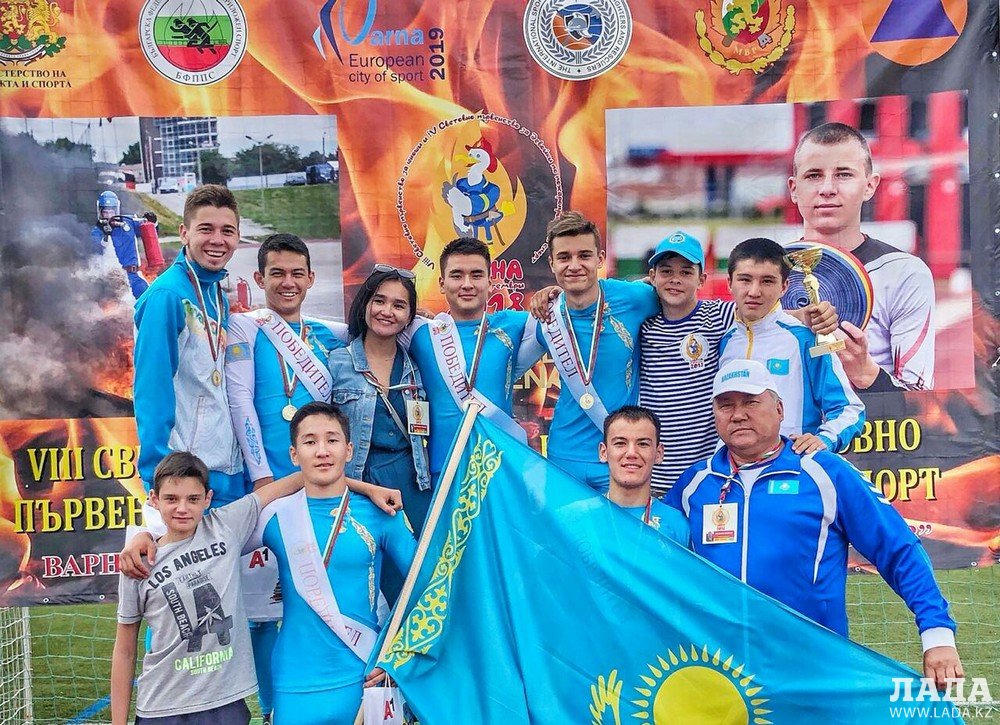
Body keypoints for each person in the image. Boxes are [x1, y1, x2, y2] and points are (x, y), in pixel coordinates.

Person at [664, 359, 962, 687]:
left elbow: (897, 548)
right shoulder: (694, 484)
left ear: (779, 409)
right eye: (726, 405)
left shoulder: (825, 473)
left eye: (751, 402)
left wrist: (937, 635)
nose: (738, 414)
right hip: (718, 672)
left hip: (812, 672)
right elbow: (652, 554)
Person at [224, 233, 347, 723]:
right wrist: (260, 477)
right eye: (277, 273)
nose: (288, 282)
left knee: (311, 601)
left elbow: (390, 326)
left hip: (317, 488)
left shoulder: (328, 336)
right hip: (268, 487)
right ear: (259, 278)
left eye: (298, 273)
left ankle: (310, 703)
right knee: (260, 611)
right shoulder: (246, 328)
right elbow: (241, 403)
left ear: (312, 278)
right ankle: (272, 710)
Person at [110, 452, 304, 725]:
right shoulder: (137, 563)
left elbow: (295, 481)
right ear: (154, 499)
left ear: (208, 499)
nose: (182, 508)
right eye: (171, 499)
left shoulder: (225, 527)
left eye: (193, 499)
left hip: (224, 705)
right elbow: (125, 649)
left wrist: (361, 486)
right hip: (161, 708)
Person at [257, 402, 416, 724]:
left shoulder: (382, 514)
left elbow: (429, 586)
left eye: (332, 440)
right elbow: (213, 535)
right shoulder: (274, 516)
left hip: (364, 674)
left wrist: (398, 654)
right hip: (294, 684)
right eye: (310, 442)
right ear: (293, 454)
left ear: (349, 450)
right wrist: (151, 537)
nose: (322, 451)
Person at [788, 122, 935, 391]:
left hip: (873, 419)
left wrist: (865, 372)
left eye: (843, 174)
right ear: (794, 189)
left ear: (870, 186)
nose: (827, 188)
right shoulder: (769, 274)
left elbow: (920, 396)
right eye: (813, 175)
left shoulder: (903, 273)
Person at [133, 184, 245, 509]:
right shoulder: (167, 296)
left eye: (227, 231)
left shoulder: (216, 294)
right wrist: (160, 478)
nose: (217, 240)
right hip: (186, 481)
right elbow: (151, 390)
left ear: (237, 237)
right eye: (206, 229)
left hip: (227, 472)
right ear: (184, 233)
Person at [404, 237, 543, 486]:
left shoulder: (513, 324)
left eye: (476, 275)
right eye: (457, 275)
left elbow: (566, 319)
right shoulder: (419, 332)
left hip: (501, 466)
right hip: (444, 468)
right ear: (442, 283)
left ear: (490, 282)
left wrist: (551, 296)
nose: (467, 284)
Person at [329, 266, 429, 602]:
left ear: (410, 316)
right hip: (359, 483)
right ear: (365, 304)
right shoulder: (337, 362)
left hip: (411, 484)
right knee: (363, 586)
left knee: (413, 587)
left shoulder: (418, 364)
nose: (387, 311)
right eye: (379, 301)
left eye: (399, 305)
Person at [718, 237, 864, 454]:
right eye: (745, 280)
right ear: (729, 282)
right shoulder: (724, 339)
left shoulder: (805, 338)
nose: (754, 291)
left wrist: (825, 439)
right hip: (734, 468)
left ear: (784, 286)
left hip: (792, 465)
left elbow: (849, 409)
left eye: (767, 281)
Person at [599, 405, 688, 544]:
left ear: (659, 453)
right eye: (620, 443)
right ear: (603, 452)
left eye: (643, 444)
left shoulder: (678, 524)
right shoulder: (576, 518)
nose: (631, 453)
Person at [91, 189, 154, 299]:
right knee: (113, 307)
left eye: (111, 212)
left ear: (117, 210)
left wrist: (152, 221)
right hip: (112, 279)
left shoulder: (128, 222)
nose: (109, 215)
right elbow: (97, 250)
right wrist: (106, 235)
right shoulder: (97, 231)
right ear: (100, 212)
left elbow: (149, 230)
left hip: (134, 275)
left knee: (149, 298)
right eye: (105, 212)